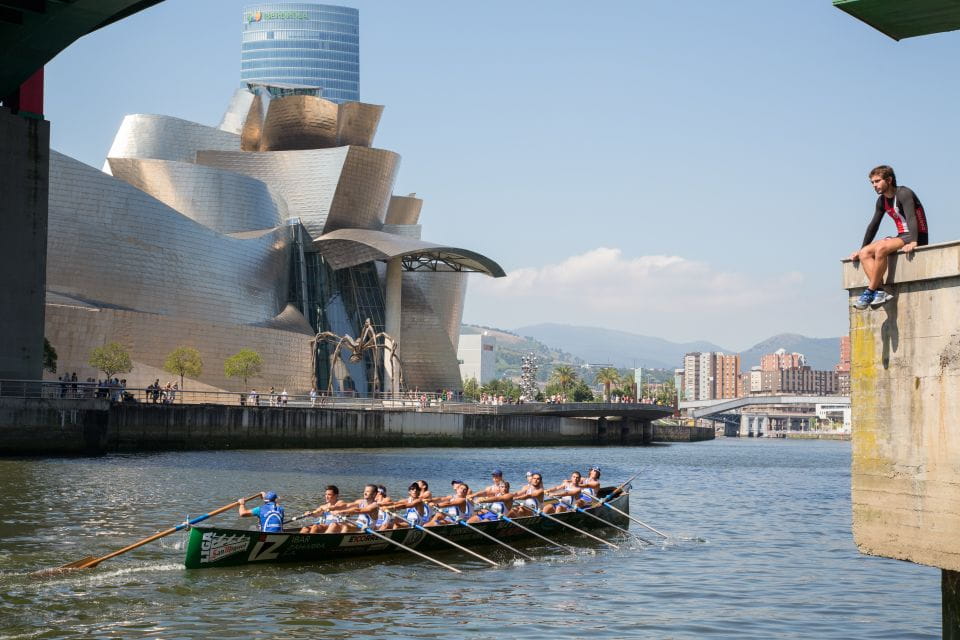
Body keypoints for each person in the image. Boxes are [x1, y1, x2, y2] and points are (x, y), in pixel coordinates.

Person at [850, 165, 929, 309]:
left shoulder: (904, 193)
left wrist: (914, 241)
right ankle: (880, 291)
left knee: (881, 248)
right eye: (872, 182)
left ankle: (870, 291)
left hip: (914, 234)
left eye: (877, 181)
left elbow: (912, 218)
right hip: (901, 236)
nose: (874, 185)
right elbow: (873, 225)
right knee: (864, 253)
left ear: (889, 180)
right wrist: (862, 248)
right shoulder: (882, 201)